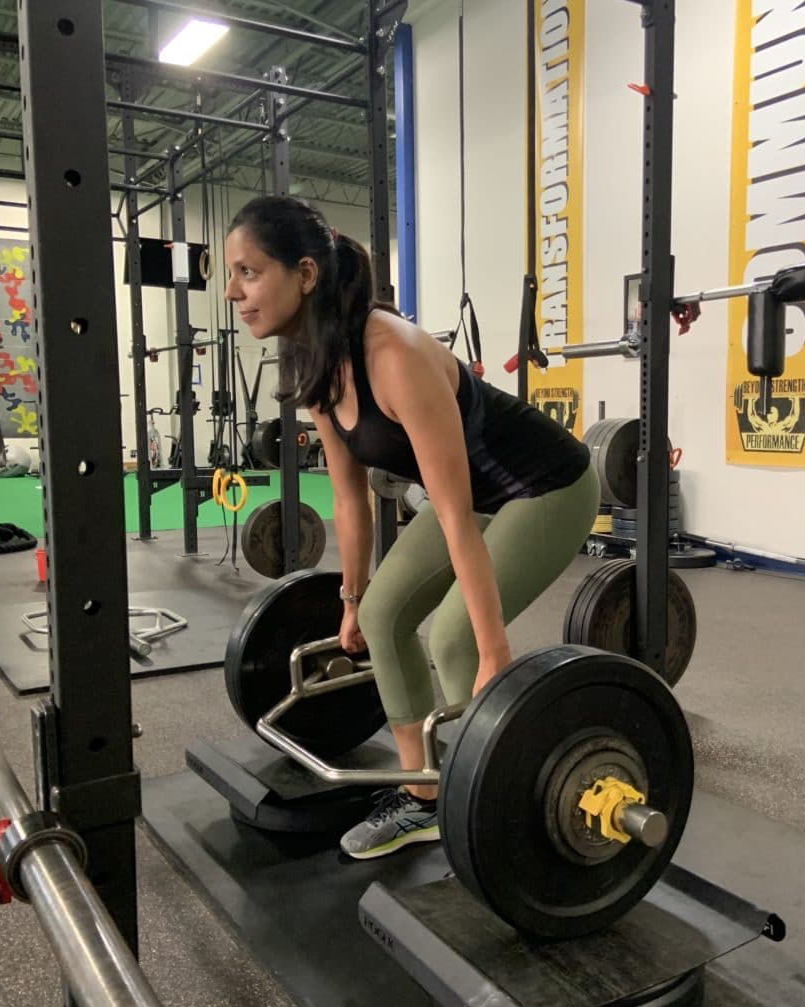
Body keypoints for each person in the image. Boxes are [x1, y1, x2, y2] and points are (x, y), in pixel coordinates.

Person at [224, 196, 600, 860]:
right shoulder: (310, 361)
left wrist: (494, 654)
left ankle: (508, 802)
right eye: (231, 274)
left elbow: (452, 514)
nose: (233, 292)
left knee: (458, 642)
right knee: (382, 615)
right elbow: (348, 499)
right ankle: (425, 795)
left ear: (305, 273)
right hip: (479, 499)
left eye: (248, 272)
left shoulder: (392, 354)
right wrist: (350, 602)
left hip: (547, 487)